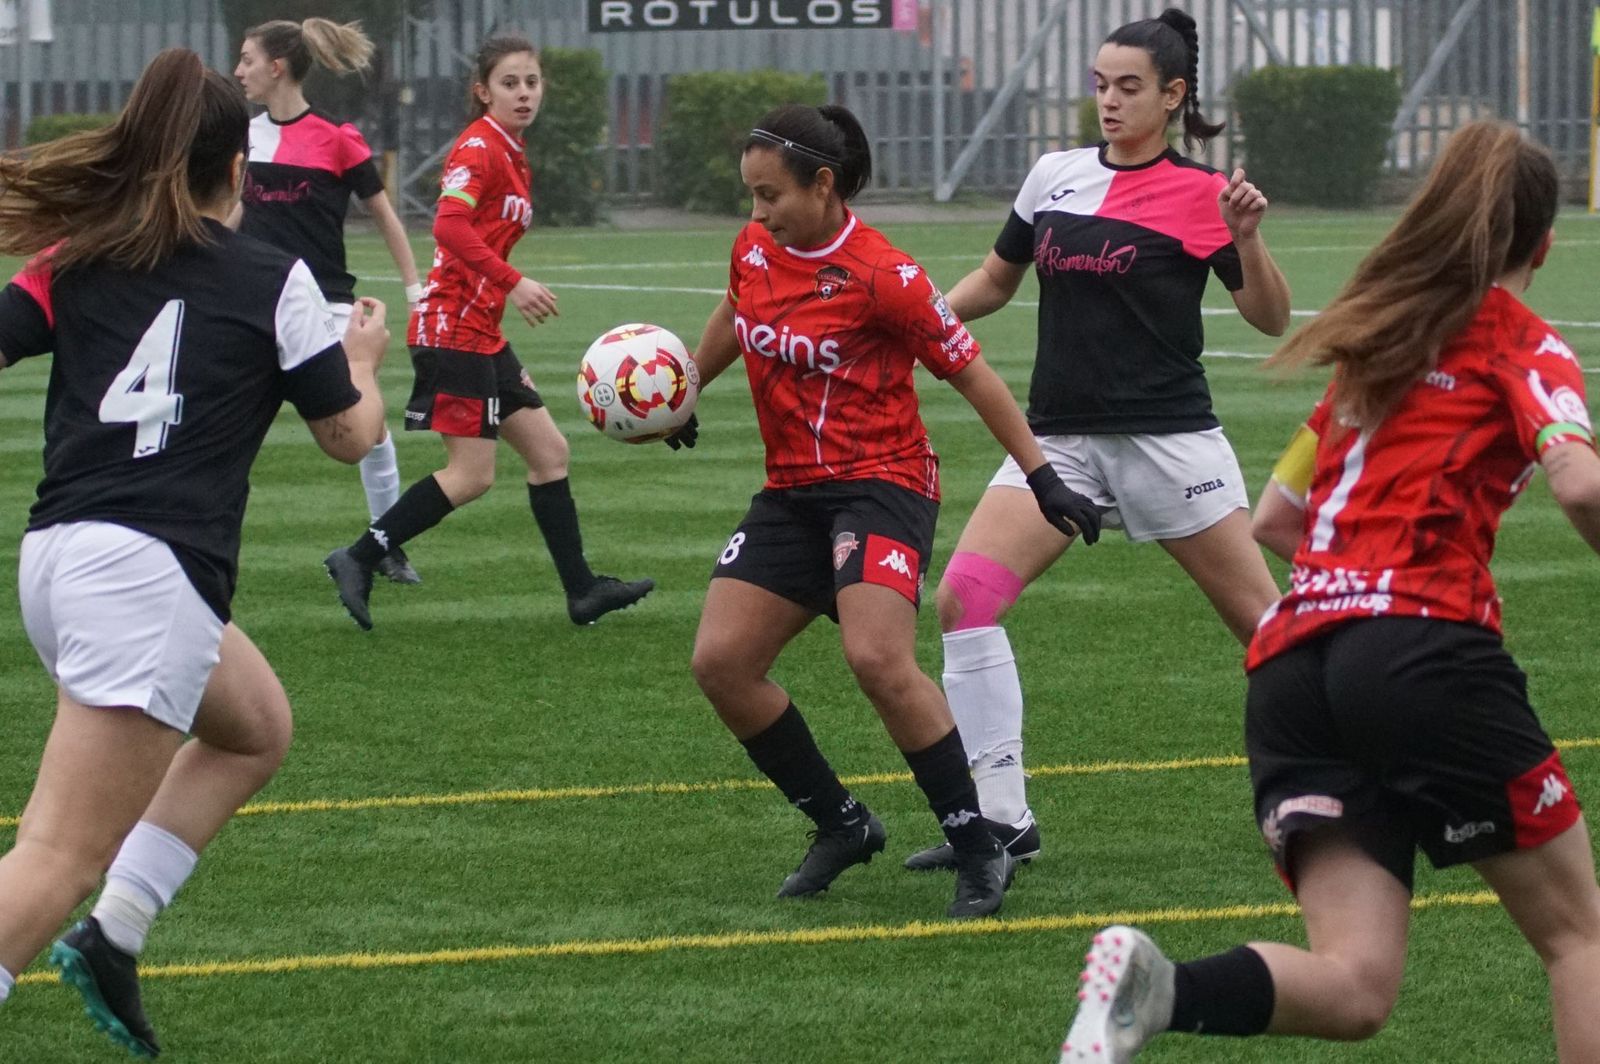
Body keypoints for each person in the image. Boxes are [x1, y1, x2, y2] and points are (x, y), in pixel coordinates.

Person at [1061, 122, 1600, 1063]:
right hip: (1423, 651)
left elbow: (1275, 516)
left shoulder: (1370, 349)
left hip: (1294, 662)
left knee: (1354, 987)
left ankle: (1161, 988)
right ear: (1542, 245)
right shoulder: (1526, 346)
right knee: (1581, 938)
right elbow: (1583, 484)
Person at [0, 49, 388, 1057]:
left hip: (58, 558)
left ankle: (115, 933)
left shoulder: (79, 252)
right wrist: (360, 361)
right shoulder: (274, 275)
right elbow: (348, 436)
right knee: (51, 854)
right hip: (145, 573)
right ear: (241, 171)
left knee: (254, 725)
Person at [684, 103, 1102, 919]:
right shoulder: (754, 248)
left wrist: (1043, 475)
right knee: (722, 663)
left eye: (770, 195)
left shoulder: (885, 275)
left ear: (825, 184)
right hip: (792, 491)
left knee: (877, 657)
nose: (757, 214)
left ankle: (981, 843)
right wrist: (687, 386)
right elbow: (738, 310)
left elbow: (973, 373)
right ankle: (841, 824)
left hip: (883, 481)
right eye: (752, 197)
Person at [903, 7, 1292, 871]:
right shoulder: (1053, 176)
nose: (1108, 102)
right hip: (1059, 446)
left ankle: (1349, 787)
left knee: (1270, 635)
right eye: (1100, 86)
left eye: (1127, 88)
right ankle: (1001, 819)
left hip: (1170, 444)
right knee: (964, 600)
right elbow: (997, 281)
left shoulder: (1205, 195)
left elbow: (1269, 319)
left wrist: (1248, 239)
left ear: (1173, 95)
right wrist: (914, 317)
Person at [323, 35, 652, 630]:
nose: (524, 93)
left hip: (481, 331)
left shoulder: (508, 148)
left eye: (531, 82)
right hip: (452, 328)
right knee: (472, 475)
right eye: (509, 83)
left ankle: (582, 592)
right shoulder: (479, 147)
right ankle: (358, 556)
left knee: (550, 453)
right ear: (483, 91)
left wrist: (503, 288)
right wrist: (513, 281)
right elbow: (449, 225)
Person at [232, 16, 424, 586]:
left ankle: (384, 543)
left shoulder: (338, 138)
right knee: (229, 423)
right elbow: (232, 215)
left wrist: (416, 289)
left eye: (247, 59)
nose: (238, 70)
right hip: (255, 308)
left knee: (369, 430)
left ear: (278, 67)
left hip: (328, 309)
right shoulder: (245, 138)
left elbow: (384, 217)